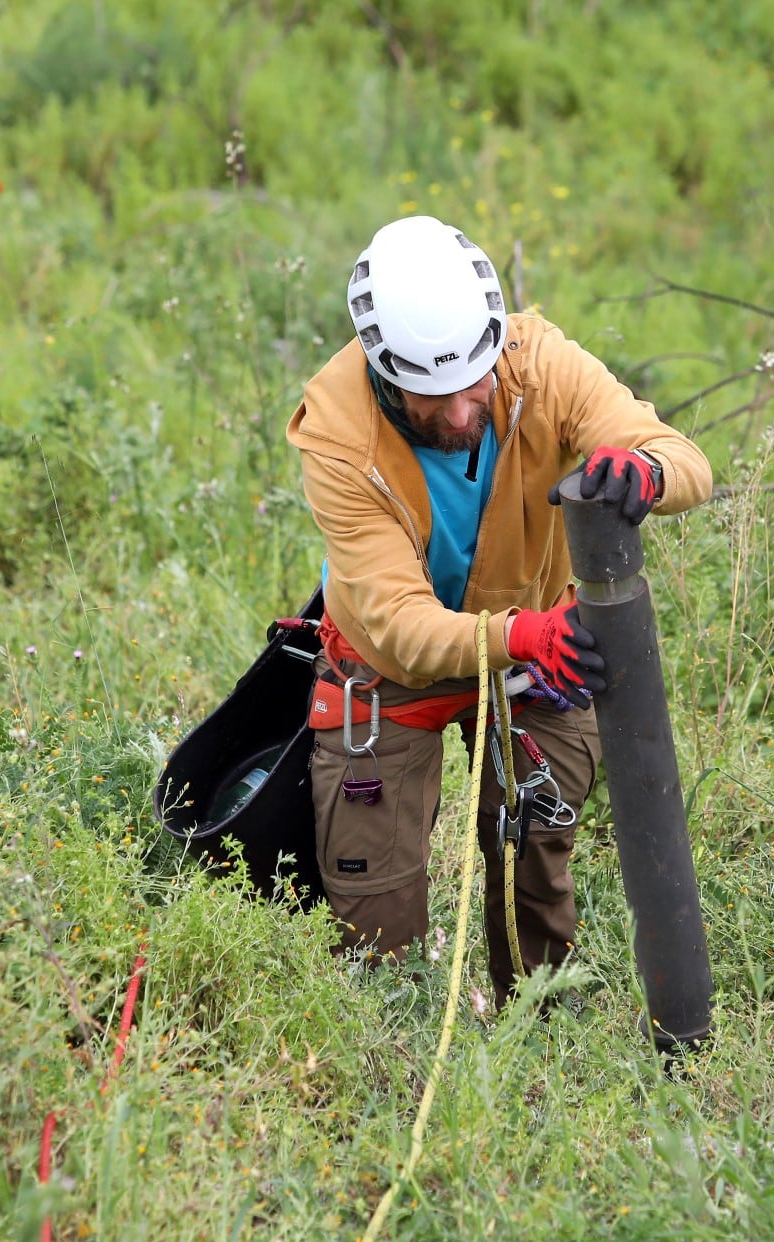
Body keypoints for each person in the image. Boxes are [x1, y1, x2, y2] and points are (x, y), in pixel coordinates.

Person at [284, 215, 712, 1001]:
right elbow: (399, 625)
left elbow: (685, 459)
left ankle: (536, 1040)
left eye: (471, 385)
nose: (457, 414)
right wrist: (525, 635)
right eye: (430, 395)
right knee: (372, 918)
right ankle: (393, 1066)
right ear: (382, 372)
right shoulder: (335, 431)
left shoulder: (540, 361)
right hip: (393, 669)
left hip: (536, 655)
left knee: (535, 861)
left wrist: (643, 472)